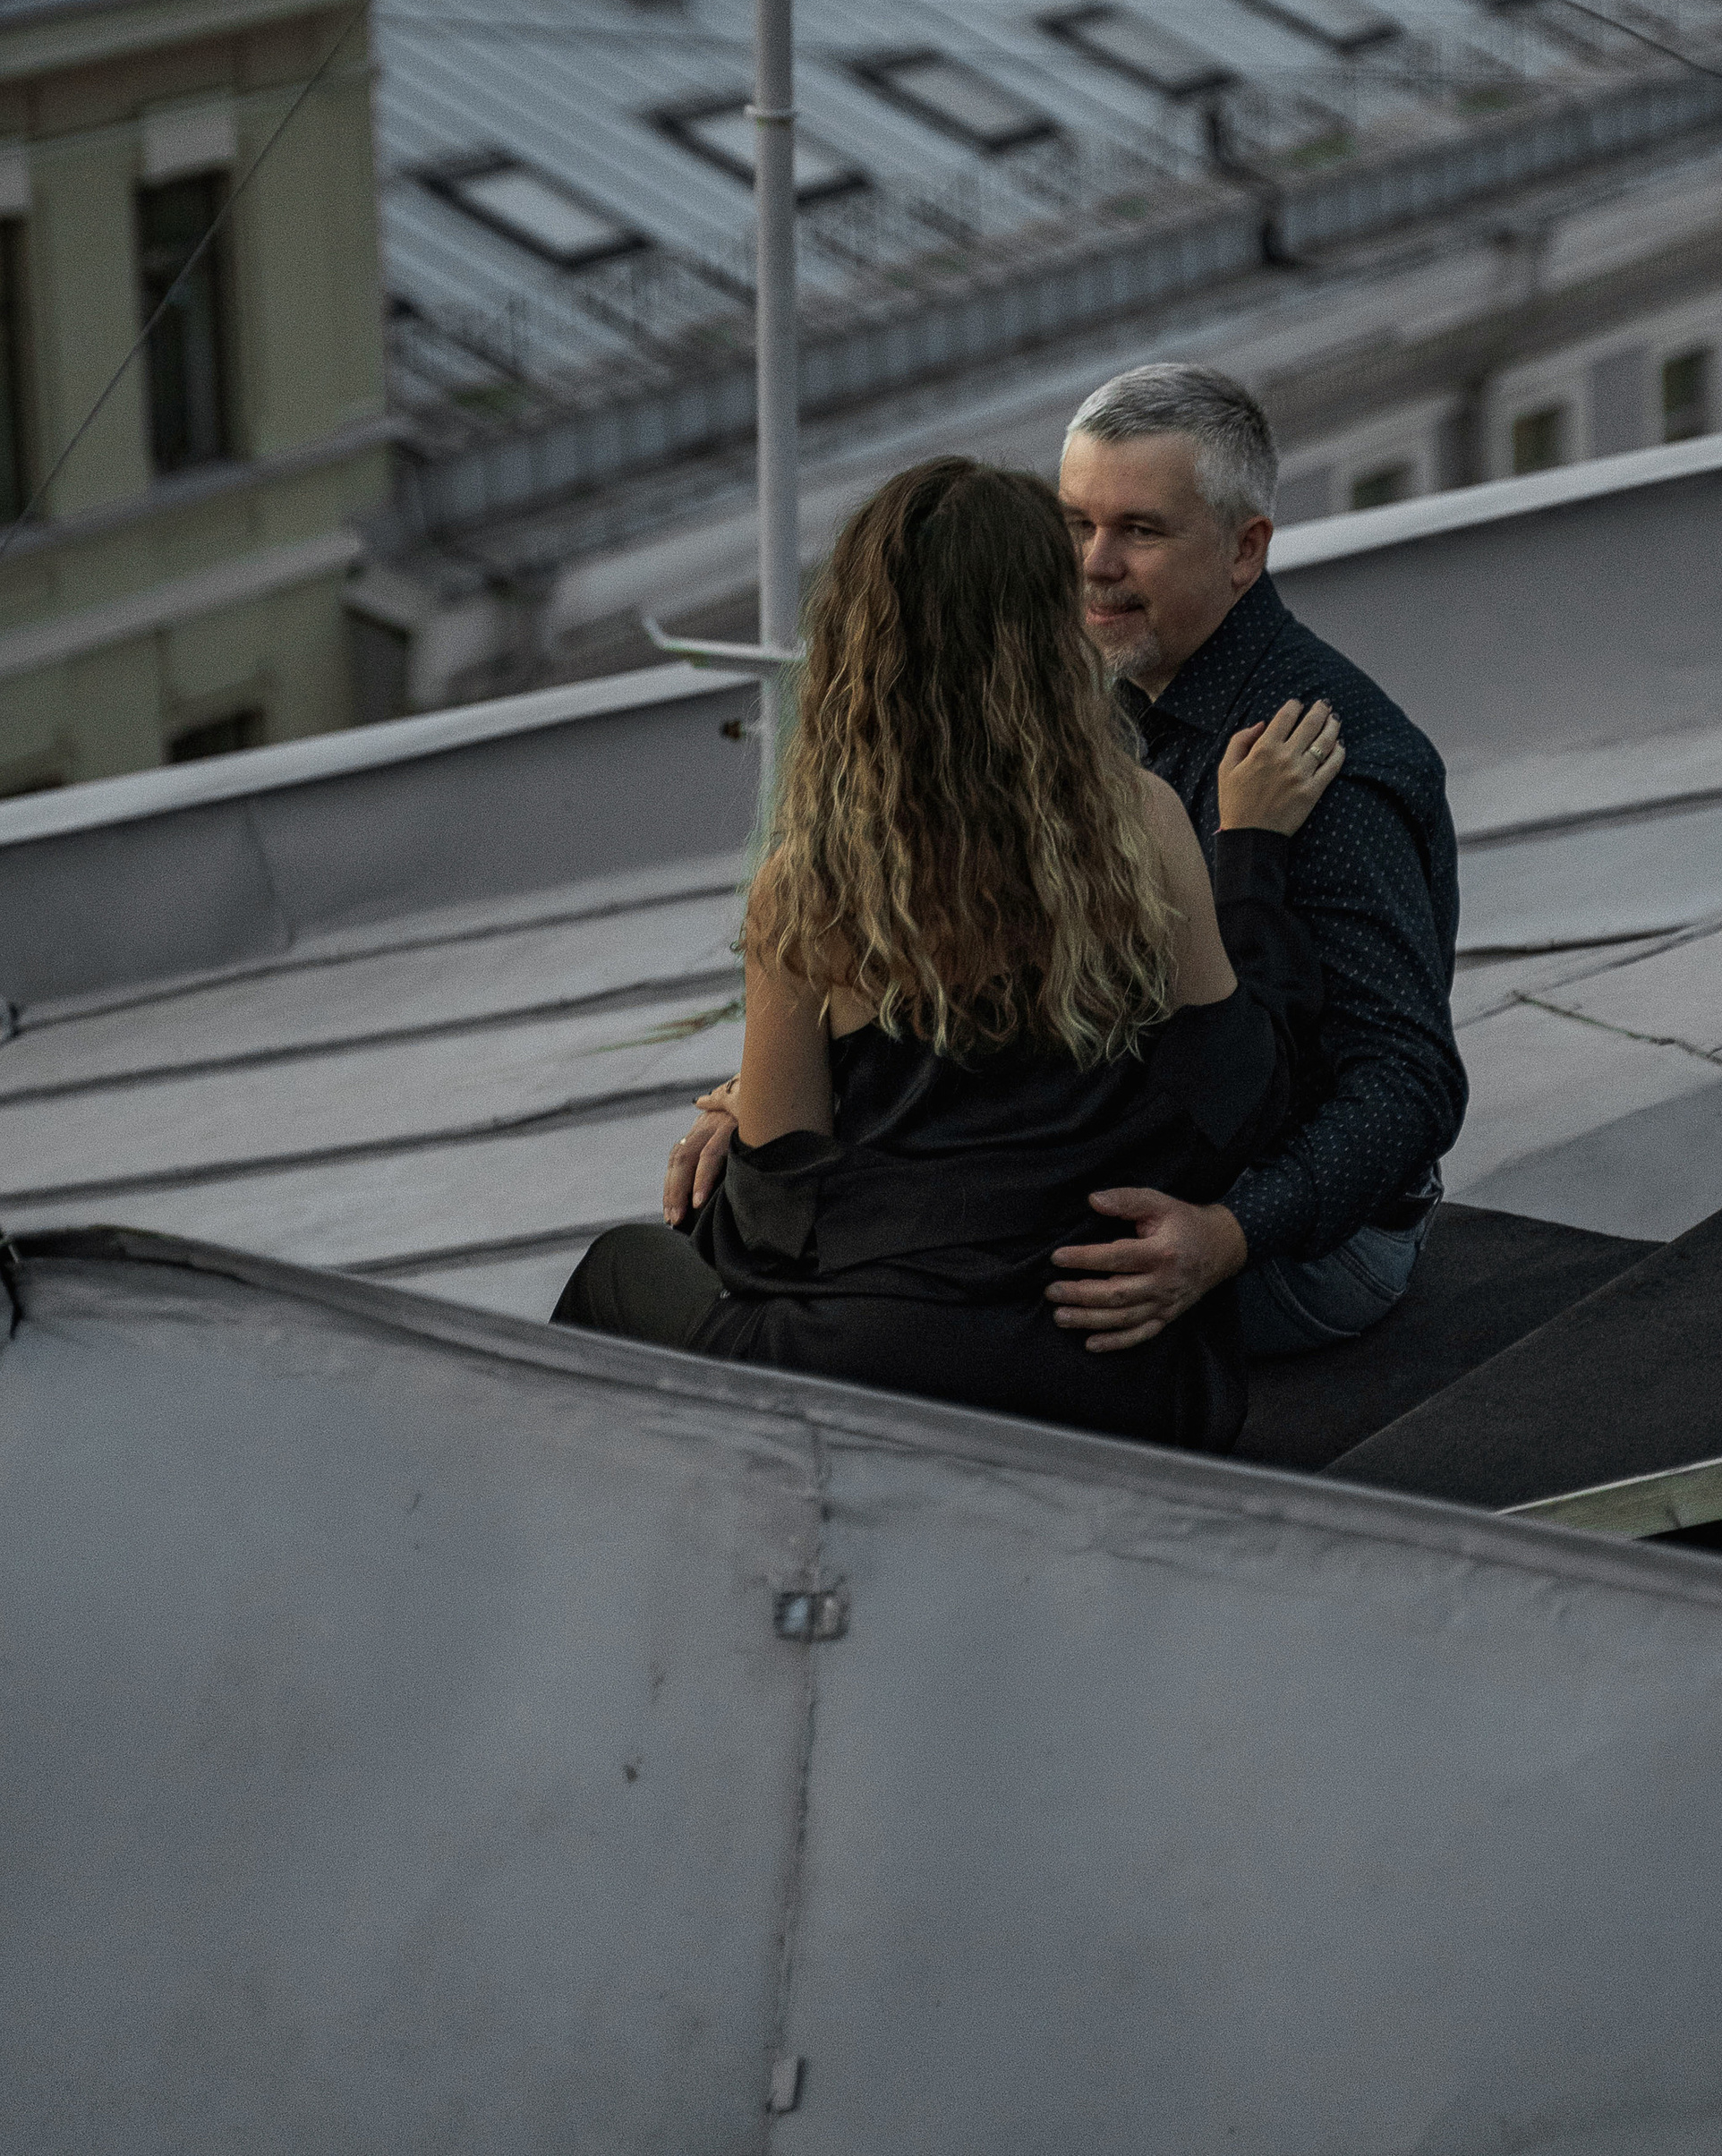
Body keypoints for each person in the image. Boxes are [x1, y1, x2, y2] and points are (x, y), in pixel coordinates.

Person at [559, 456, 1343, 1452]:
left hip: (868, 1371)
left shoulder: (811, 882)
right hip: (1111, 1379)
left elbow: (770, 1225)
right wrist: (1253, 850)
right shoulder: (1135, 820)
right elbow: (1239, 1097)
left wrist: (748, 1116)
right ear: (1051, 634)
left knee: (617, 1276)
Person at [1047, 362, 1464, 1362]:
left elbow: (1407, 1086)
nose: (1094, 564)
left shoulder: (1335, 763)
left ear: (1245, 551)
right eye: (1075, 526)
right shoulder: (1094, 699)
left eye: (1139, 531)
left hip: (1302, 1250)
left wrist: (1226, 1238)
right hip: (1156, 1172)